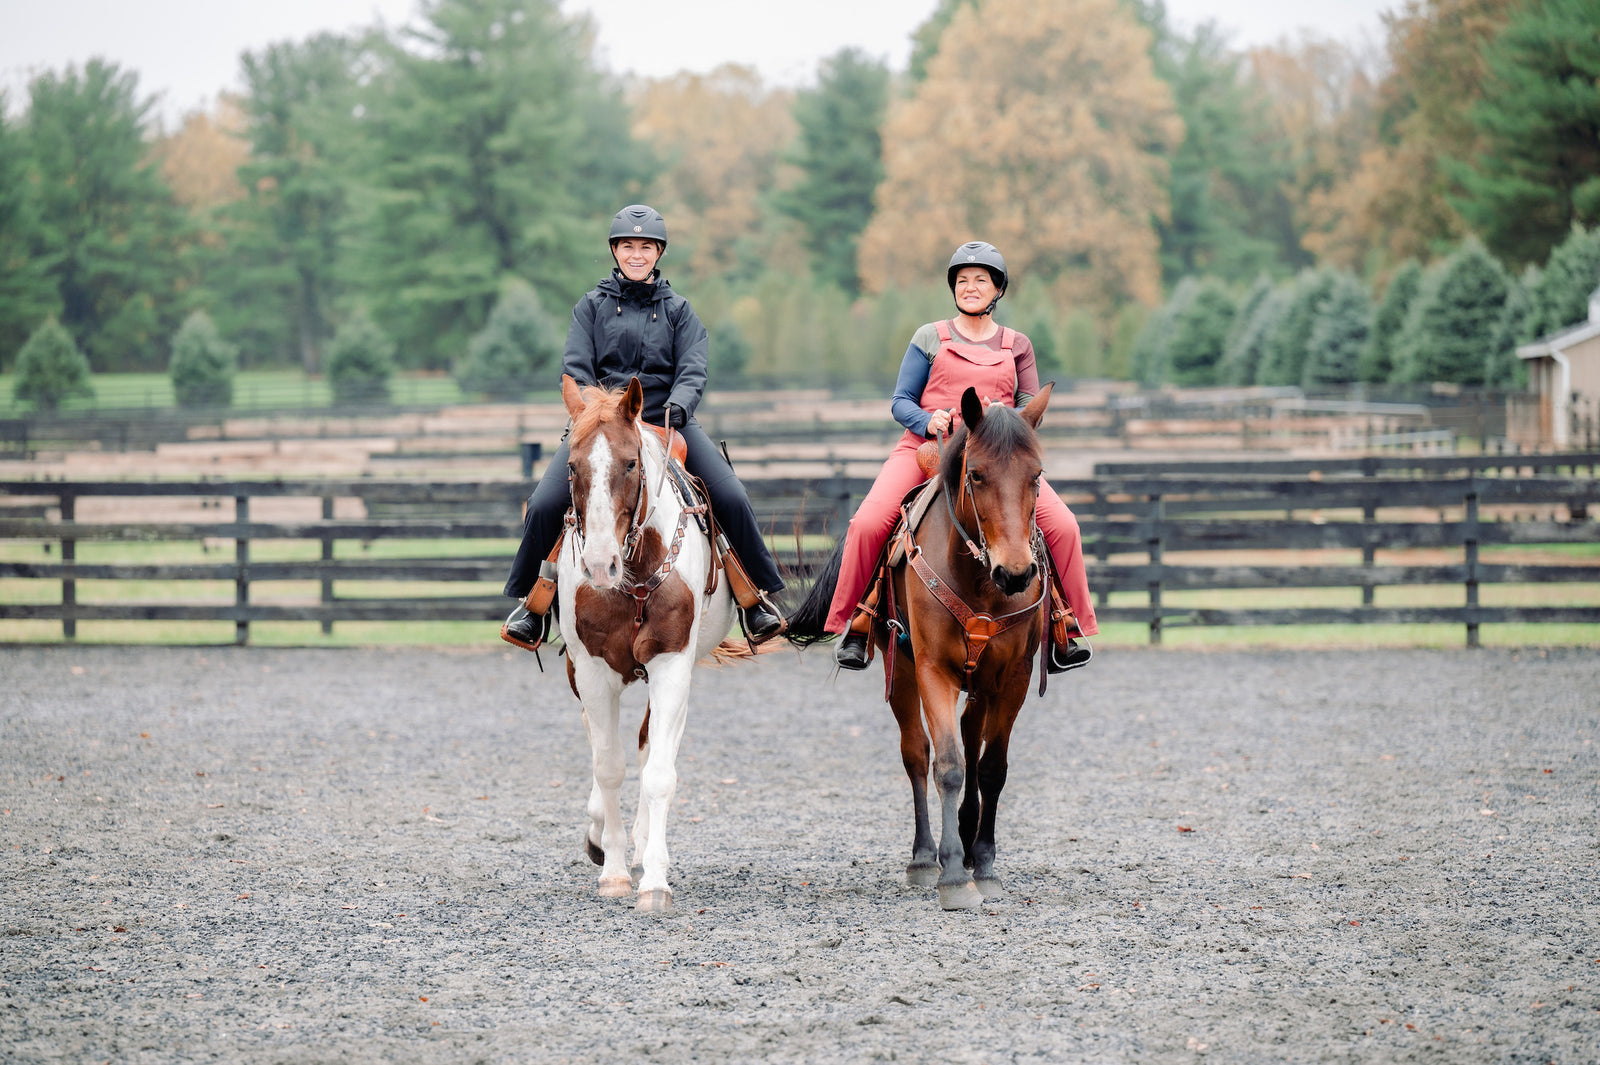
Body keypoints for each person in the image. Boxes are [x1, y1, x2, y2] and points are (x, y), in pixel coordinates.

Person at [501, 205, 785, 647]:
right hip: (600, 426)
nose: (637, 254)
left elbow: (693, 369)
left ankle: (756, 600)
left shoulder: (680, 311)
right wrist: (593, 414)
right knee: (542, 504)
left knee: (730, 494)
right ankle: (529, 603)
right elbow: (576, 369)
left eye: (646, 247)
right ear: (615, 251)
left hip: (667, 421)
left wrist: (676, 411)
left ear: (659, 253)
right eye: (628, 246)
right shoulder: (590, 308)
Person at [828, 241, 1098, 672]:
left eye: (981, 281)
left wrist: (1001, 419)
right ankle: (855, 622)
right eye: (962, 281)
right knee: (867, 522)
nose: (970, 287)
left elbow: (1030, 409)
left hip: (996, 459)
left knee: (1065, 526)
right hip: (927, 450)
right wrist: (927, 421)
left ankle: (1068, 627)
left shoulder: (1018, 344)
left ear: (998, 290)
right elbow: (900, 401)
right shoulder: (928, 336)